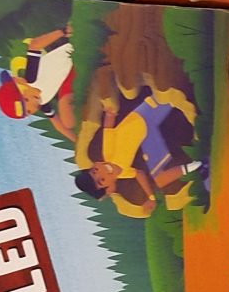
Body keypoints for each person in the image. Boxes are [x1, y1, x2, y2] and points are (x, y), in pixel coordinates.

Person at [74, 87, 207, 218]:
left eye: (95, 170)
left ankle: (199, 162)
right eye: (102, 180)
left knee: (170, 100)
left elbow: (108, 128)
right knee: (160, 179)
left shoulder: (108, 153)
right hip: (148, 135)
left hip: (145, 116)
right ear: (109, 186)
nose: (102, 172)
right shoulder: (122, 173)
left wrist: (110, 114)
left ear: (96, 164)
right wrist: (151, 197)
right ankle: (198, 165)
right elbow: (139, 174)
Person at [0, 28, 78, 142]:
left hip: (72, 57)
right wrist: (76, 141)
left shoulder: (31, 78)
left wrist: (63, 31)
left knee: (67, 114)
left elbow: (34, 45)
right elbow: (57, 123)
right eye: (29, 113)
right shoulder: (42, 101)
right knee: (68, 122)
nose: (33, 110)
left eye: (28, 109)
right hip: (69, 78)